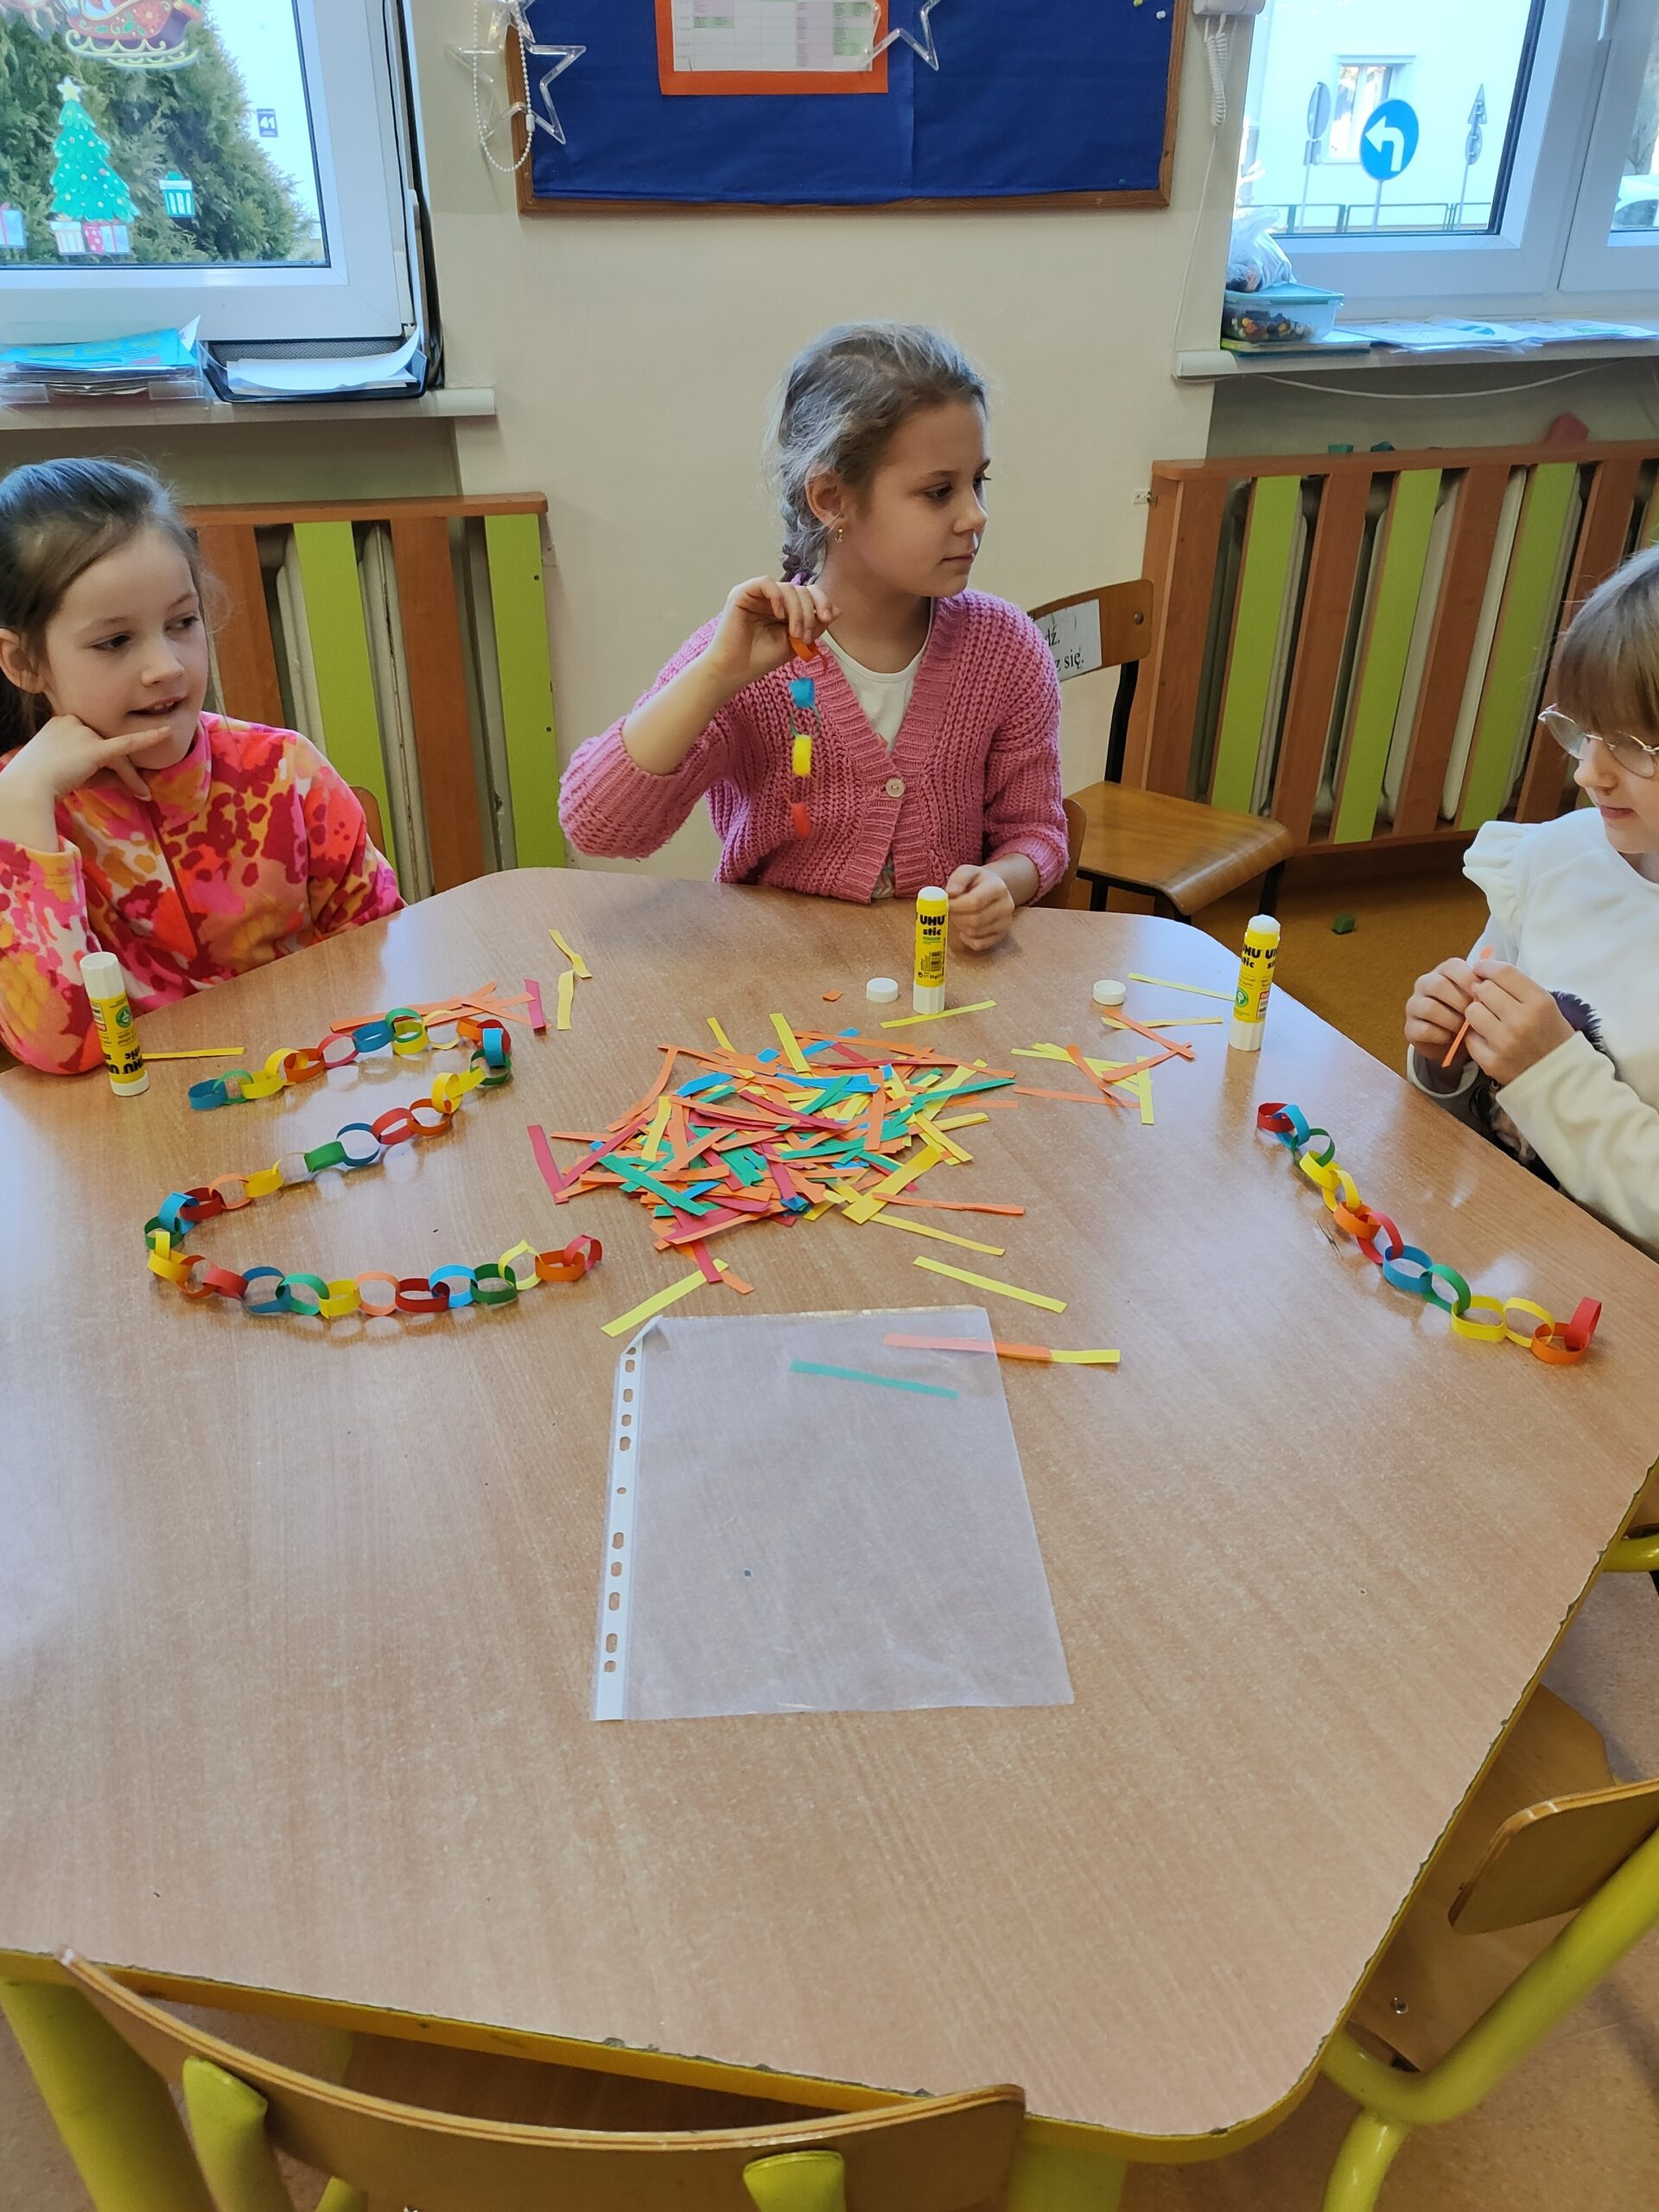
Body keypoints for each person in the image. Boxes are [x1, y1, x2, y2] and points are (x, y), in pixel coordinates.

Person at [559, 321, 1067, 950]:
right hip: (776, 978)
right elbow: (598, 825)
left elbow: (1037, 833)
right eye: (939, 492)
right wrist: (715, 676)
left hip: (936, 979)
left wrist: (1004, 884)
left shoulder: (1007, 651)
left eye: (977, 482)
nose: (975, 515)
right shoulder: (748, 659)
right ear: (830, 499)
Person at [0, 457, 401, 1076]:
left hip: (317, 1090)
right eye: (115, 642)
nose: (166, 666)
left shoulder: (283, 770)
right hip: (142, 1119)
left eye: (182, 622)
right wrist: (23, 799)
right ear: (25, 663)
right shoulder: (19, 815)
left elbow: (381, 949)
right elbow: (62, 1047)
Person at [1403, 545, 1659, 1257]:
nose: (1588, 773)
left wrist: (1550, 1073)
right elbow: (1481, 1113)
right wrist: (1449, 1061)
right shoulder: (1558, 858)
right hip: (1503, 1247)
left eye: (1634, 745)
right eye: (1583, 732)